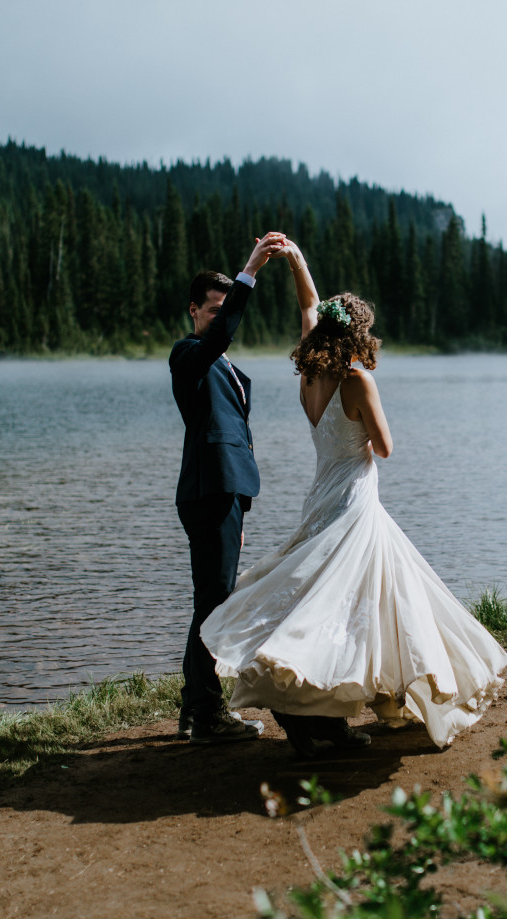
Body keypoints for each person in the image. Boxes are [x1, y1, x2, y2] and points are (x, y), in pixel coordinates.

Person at [200, 239, 507, 757]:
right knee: (352, 605)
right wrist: (365, 428)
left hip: (320, 496)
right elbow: (384, 448)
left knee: (328, 600)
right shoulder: (357, 381)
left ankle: (326, 713)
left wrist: (299, 264)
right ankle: (337, 712)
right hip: (354, 503)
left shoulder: (309, 376)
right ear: (359, 334)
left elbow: (307, 309)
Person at [171, 232, 287, 744]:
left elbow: (236, 434)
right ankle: (204, 715)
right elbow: (220, 336)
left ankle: (197, 708)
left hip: (227, 494)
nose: (220, 318)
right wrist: (251, 271)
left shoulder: (228, 368)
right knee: (214, 602)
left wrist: (243, 501)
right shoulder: (188, 355)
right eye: (213, 309)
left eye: (225, 309)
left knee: (213, 600)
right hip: (208, 491)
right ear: (194, 311)